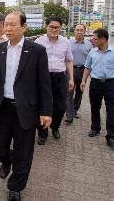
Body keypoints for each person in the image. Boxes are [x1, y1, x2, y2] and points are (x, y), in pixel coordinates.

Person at [0, 10, 52, 201]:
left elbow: (44, 83)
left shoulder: (37, 51)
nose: (8, 28)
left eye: (13, 24)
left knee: (24, 152)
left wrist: (46, 111)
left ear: (24, 27)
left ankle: (15, 188)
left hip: (26, 109)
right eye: (6, 24)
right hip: (2, 107)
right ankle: (7, 160)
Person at [80, 28, 114, 149]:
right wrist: (84, 81)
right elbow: (87, 68)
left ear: (103, 39)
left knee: (111, 110)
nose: (92, 40)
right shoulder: (92, 52)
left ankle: (112, 137)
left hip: (110, 84)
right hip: (95, 83)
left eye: (95, 38)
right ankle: (95, 128)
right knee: (95, 107)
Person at [35, 15, 74, 145]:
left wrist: (71, 78)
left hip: (60, 77)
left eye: (57, 27)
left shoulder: (65, 42)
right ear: (46, 26)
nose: (54, 29)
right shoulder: (39, 41)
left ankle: (55, 127)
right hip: (43, 77)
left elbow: (68, 60)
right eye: (51, 27)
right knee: (42, 105)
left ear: (61, 28)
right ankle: (42, 133)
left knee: (61, 107)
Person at [65, 24, 93, 123]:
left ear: (85, 32)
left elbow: (91, 60)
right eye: (77, 30)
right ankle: (69, 114)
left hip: (83, 70)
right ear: (74, 31)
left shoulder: (89, 45)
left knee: (79, 92)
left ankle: (75, 110)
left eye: (81, 30)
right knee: (69, 92)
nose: (79, 32)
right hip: (70, 69)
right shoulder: (68, 43)